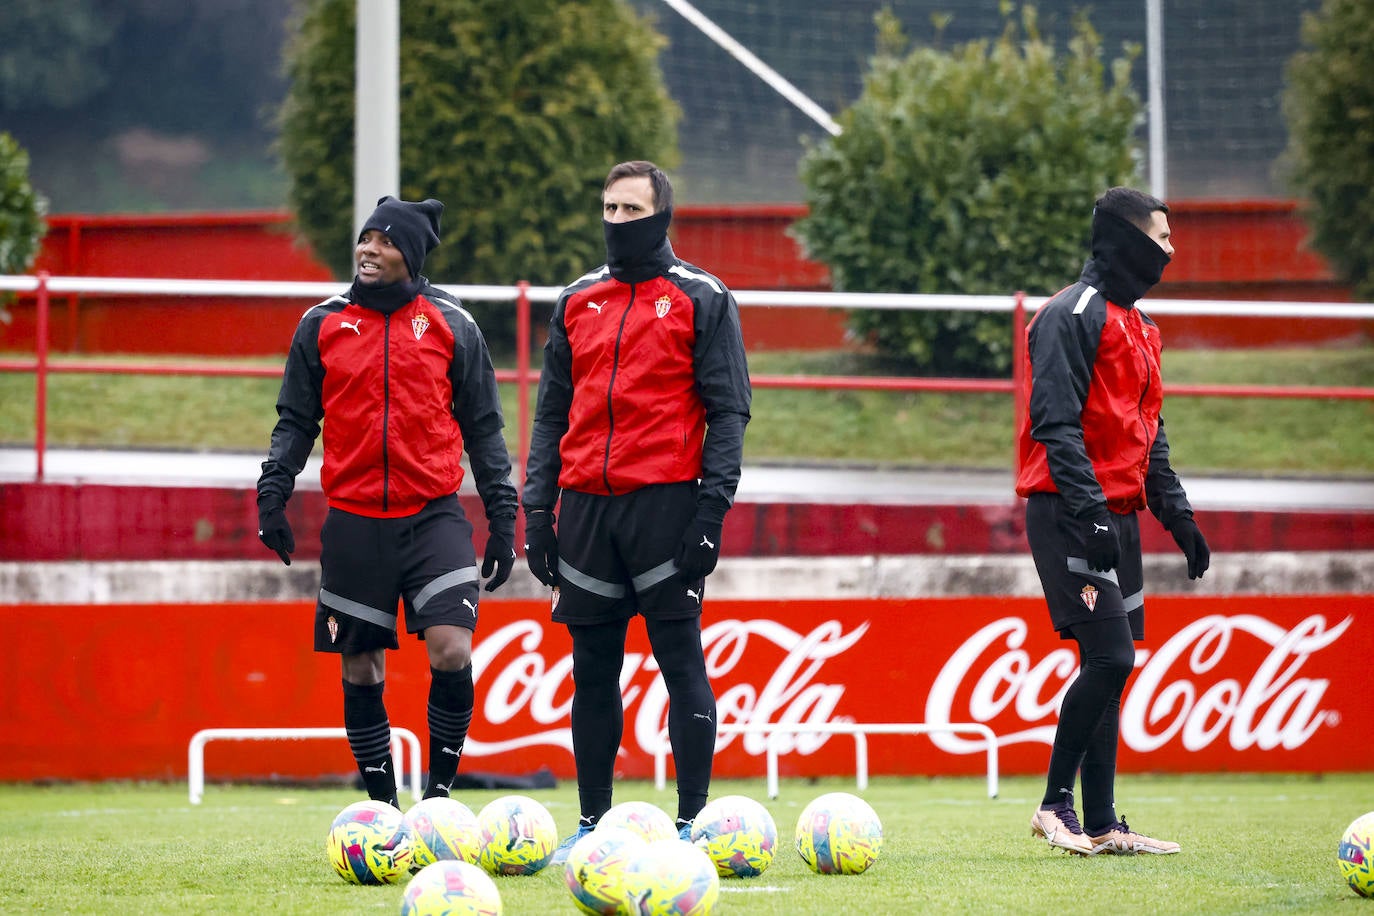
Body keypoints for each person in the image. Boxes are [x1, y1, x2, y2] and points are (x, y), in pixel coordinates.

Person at [522, 161, 752, 861]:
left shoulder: (703, 297)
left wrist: (711, 514)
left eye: (630, 210)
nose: (617, 221)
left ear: (660, 216)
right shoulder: (575, 300)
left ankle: (694, 826)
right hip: (586, 511)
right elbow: (549, 414)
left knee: (680, 659)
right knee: (592, 668)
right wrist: (536, 511)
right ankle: (593, 827)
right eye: (609, 209)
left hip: (668, 507)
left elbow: (729, 412)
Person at [256, 195, 518, 807]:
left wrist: (504, 518)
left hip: (433, 516)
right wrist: (273, 491)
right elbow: (296, 420)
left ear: (413, 255)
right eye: (365, 239)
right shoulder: (321, 322)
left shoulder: (454, 324)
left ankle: (438, 801)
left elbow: (484, 429)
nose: (368, 250)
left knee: (452, 647)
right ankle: (384, 811)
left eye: (385, 241)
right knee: (361, 667)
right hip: (353, 521)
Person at [1016, 186, 1211, 856]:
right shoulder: (1070, 314)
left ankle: (1100, 823)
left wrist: (1177, 517)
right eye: (1161, 236)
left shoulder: (1142, 326)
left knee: (1113, 667)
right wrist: (1091, 510)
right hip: (1070, 512)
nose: (1171, 249)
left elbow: (1148, 435)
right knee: (1110, 655)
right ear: (1126, 240)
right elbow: (1055, 424)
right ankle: (1053, 807)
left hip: (1116, 517)